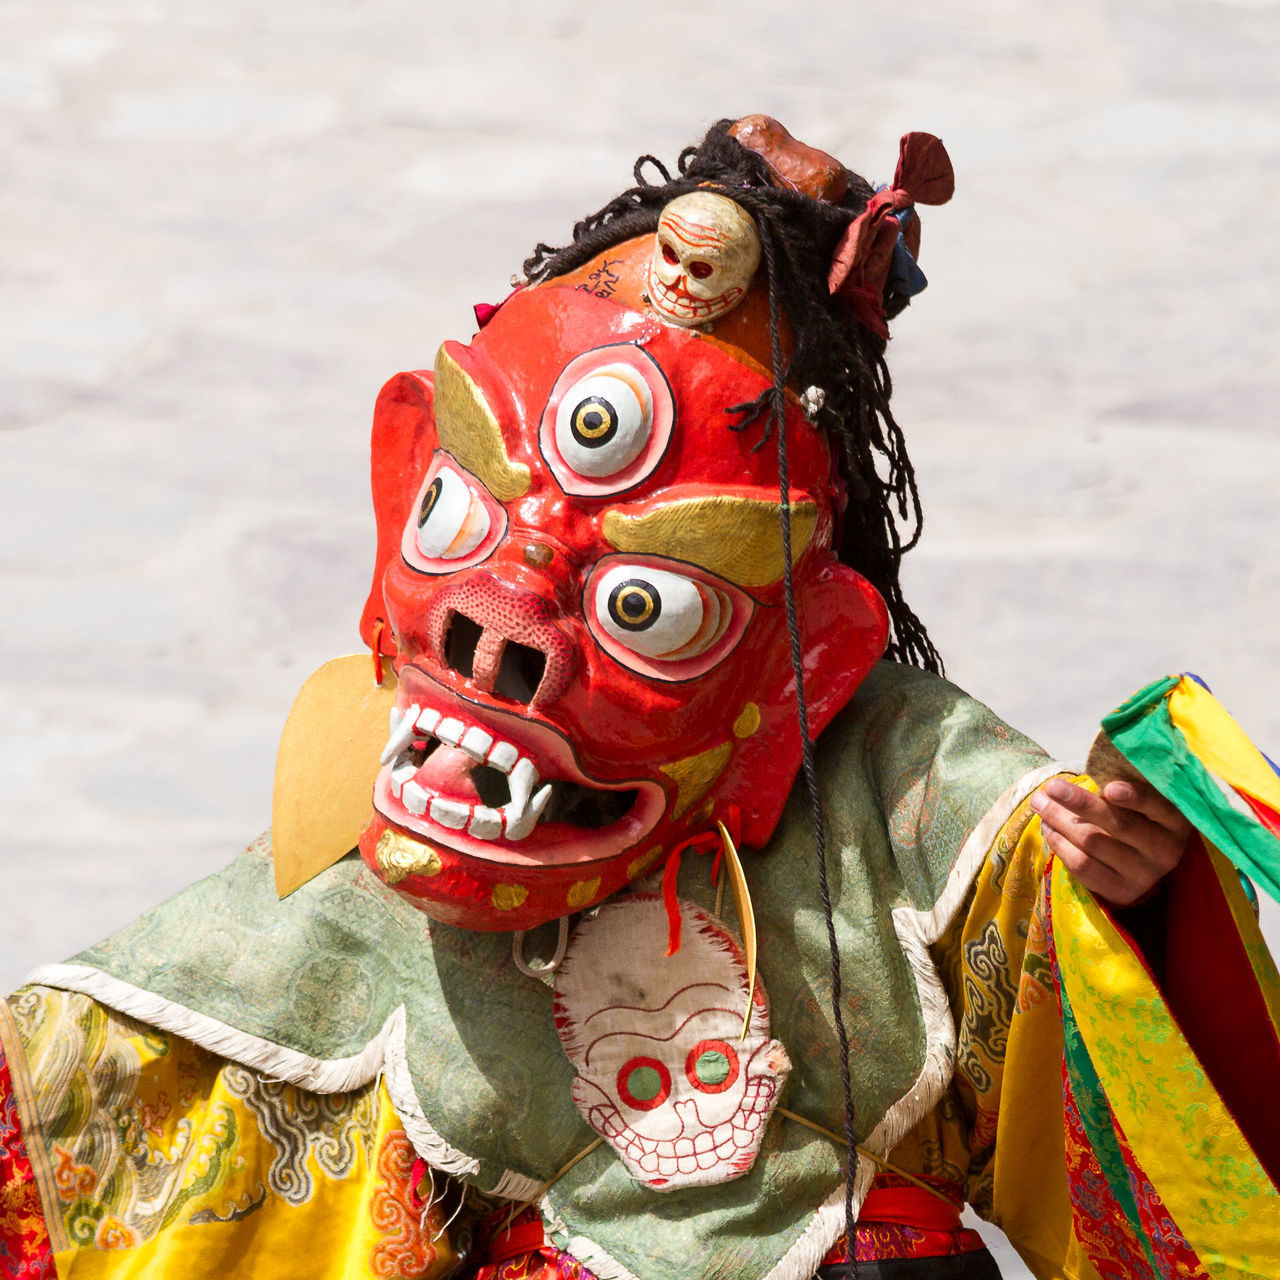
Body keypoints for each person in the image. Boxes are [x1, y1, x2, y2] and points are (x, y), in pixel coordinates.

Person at [2, 116, 1276, 1280]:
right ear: (404, 490)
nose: (500, 636)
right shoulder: (368, 798)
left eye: (644, 604)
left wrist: (1131, 888)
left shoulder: (900, 781)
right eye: (458, 517)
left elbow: (1062, 937)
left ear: (803, 664)